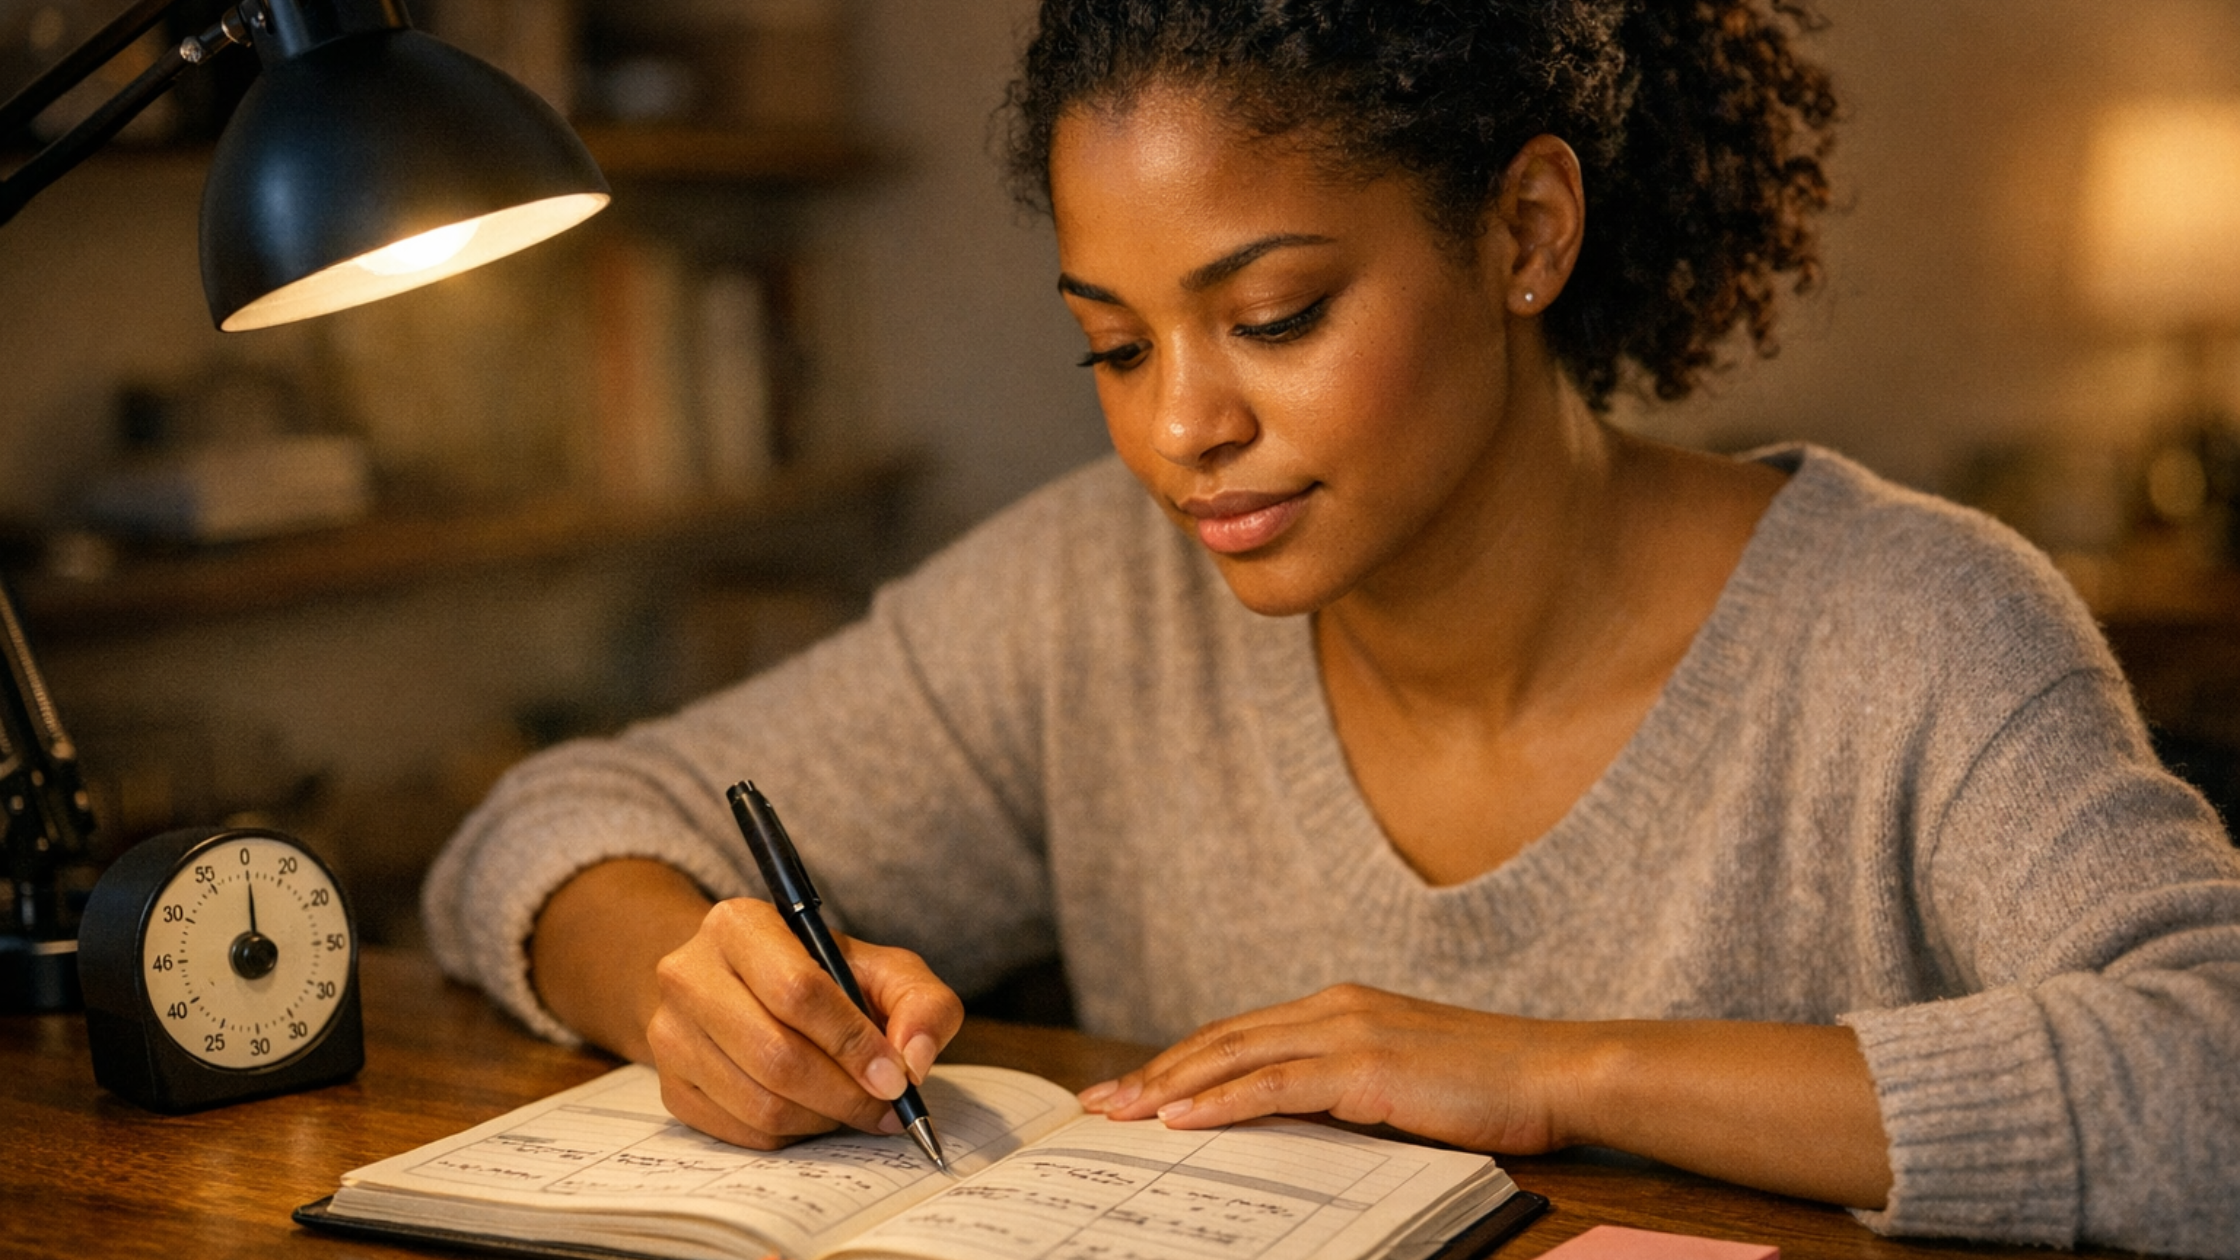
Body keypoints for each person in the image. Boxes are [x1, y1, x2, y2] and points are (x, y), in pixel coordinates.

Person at [423, 2, 2240, 1255]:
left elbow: (2213, 1072)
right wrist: (693, 989)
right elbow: (549, 827)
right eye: (1114, 347)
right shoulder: (1098, 604)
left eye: (1275, 316)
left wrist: (1540, 1067)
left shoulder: (1910, 627)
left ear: (1526, 231)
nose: (1176, 431)